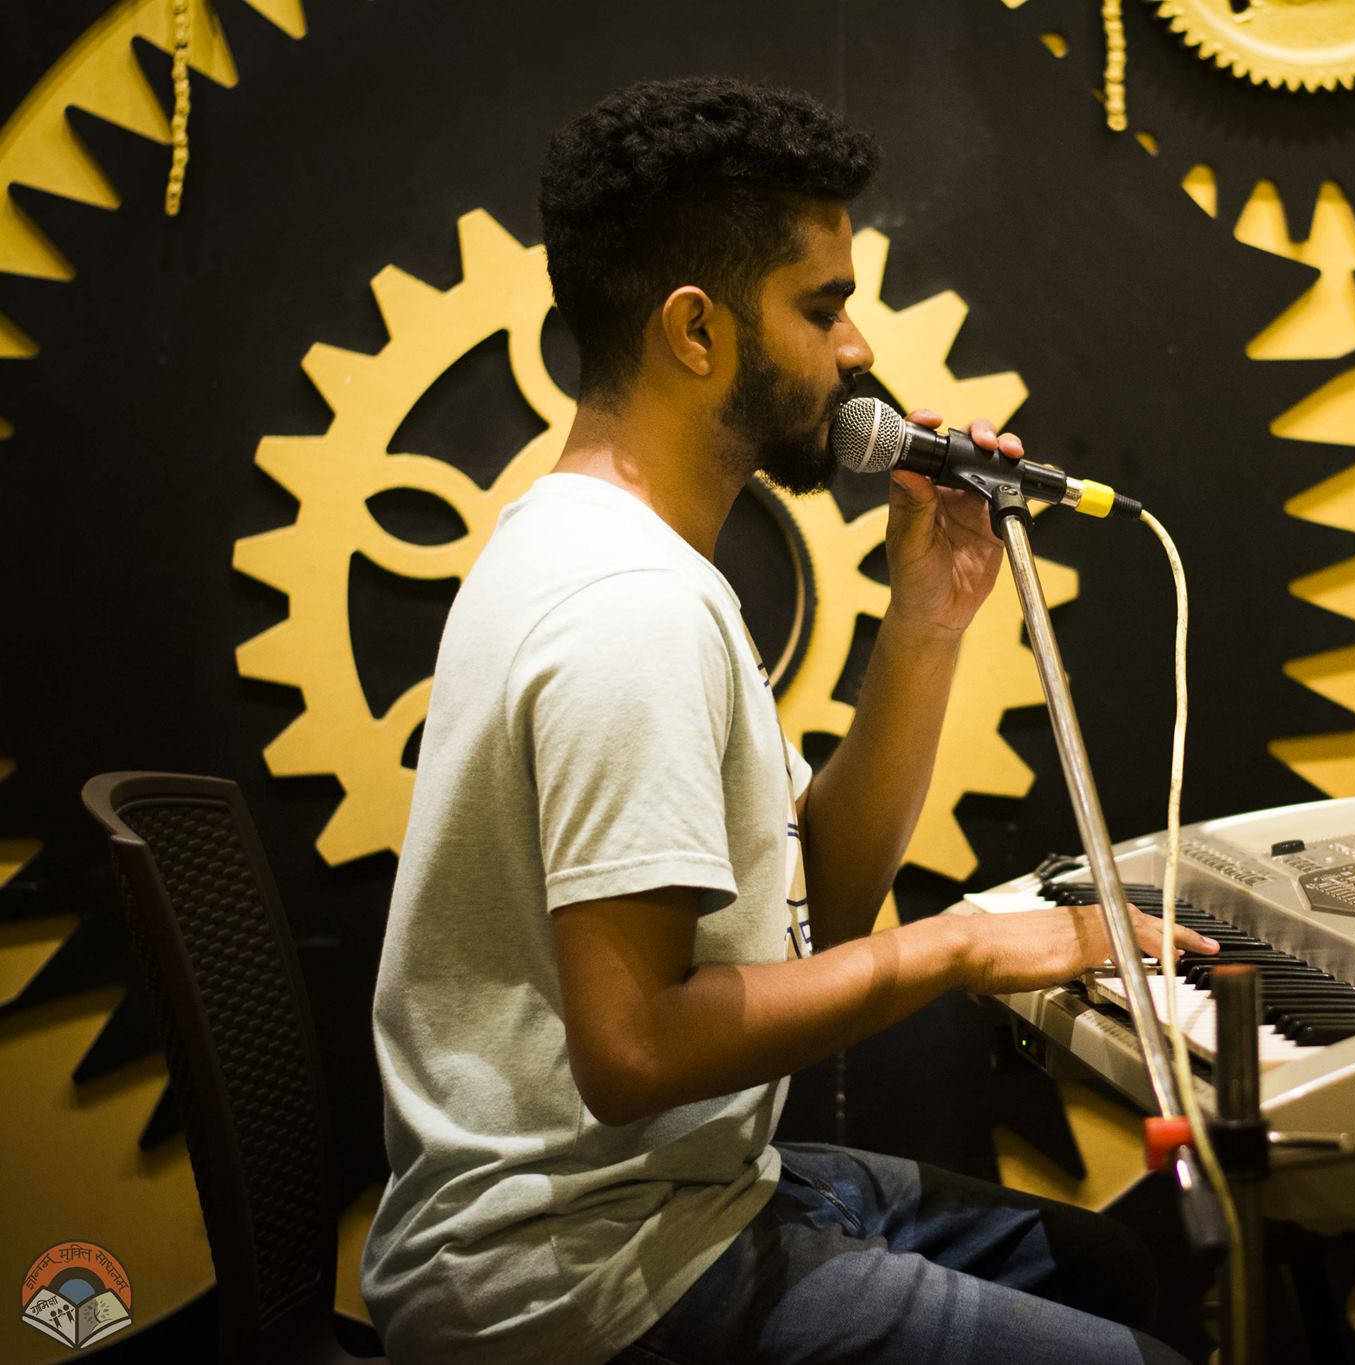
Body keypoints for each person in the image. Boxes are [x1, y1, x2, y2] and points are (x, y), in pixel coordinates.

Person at [358, 75, 1216, 1365]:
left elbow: (824, 899)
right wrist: (963, 949)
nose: (857, 350)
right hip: (576, 1282)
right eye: (822, 309)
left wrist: (924, 623)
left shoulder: (625, 560)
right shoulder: (626, 606)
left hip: (677, 1200)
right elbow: (635, 1051)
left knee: (1109, 1269)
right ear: (696, 331)